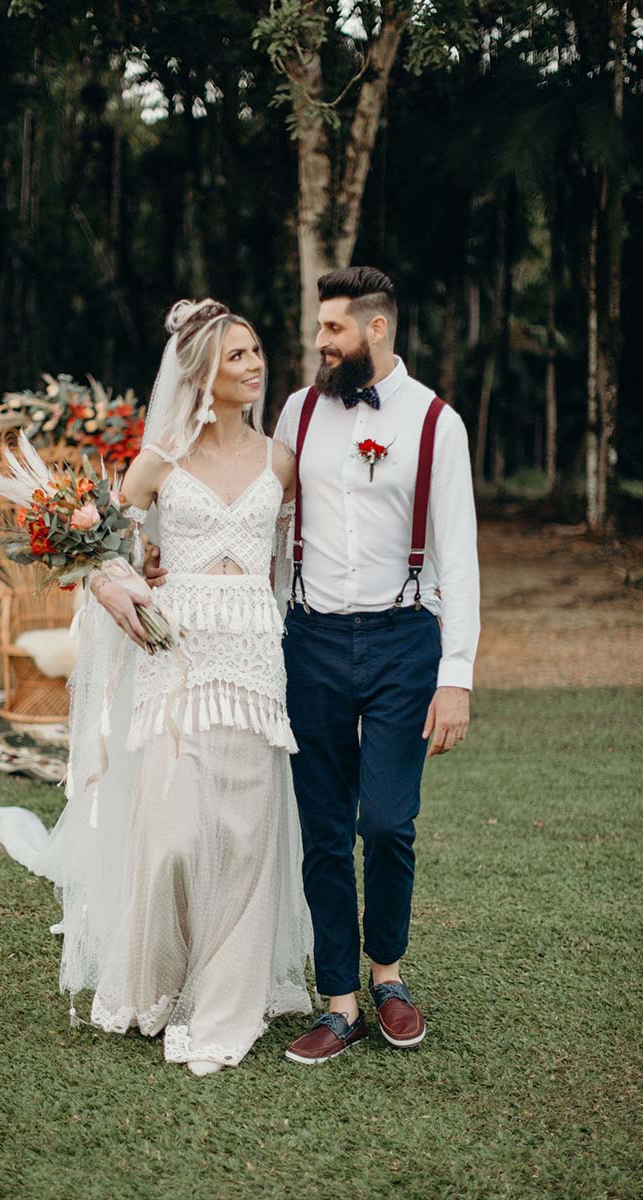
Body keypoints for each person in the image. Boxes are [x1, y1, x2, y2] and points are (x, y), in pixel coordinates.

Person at [0, 298, 311, 1077]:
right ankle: (154, 983)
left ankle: (227, 1002)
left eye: (257, 350)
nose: (255, 364)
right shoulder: (159, 459)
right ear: (200, 372)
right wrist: (125, 577)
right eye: (237, 355)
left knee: (246, 842)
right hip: (177, 653)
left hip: (256, 657)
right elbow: (107, 556)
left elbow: (287, 563)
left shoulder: (281, 460)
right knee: (174, 837)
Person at [274, 266, 480, 1062]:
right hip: (311, 641)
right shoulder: (296, 411)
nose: (319, 343)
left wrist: (454, 675)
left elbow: (458, 556)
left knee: (388, 822)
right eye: (320, 329)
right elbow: (269, 517)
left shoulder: (436, 422)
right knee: (324, 831)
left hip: (404, 641)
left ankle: (388, 976)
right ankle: (339, 1002)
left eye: (332, 329)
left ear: (377, 328)